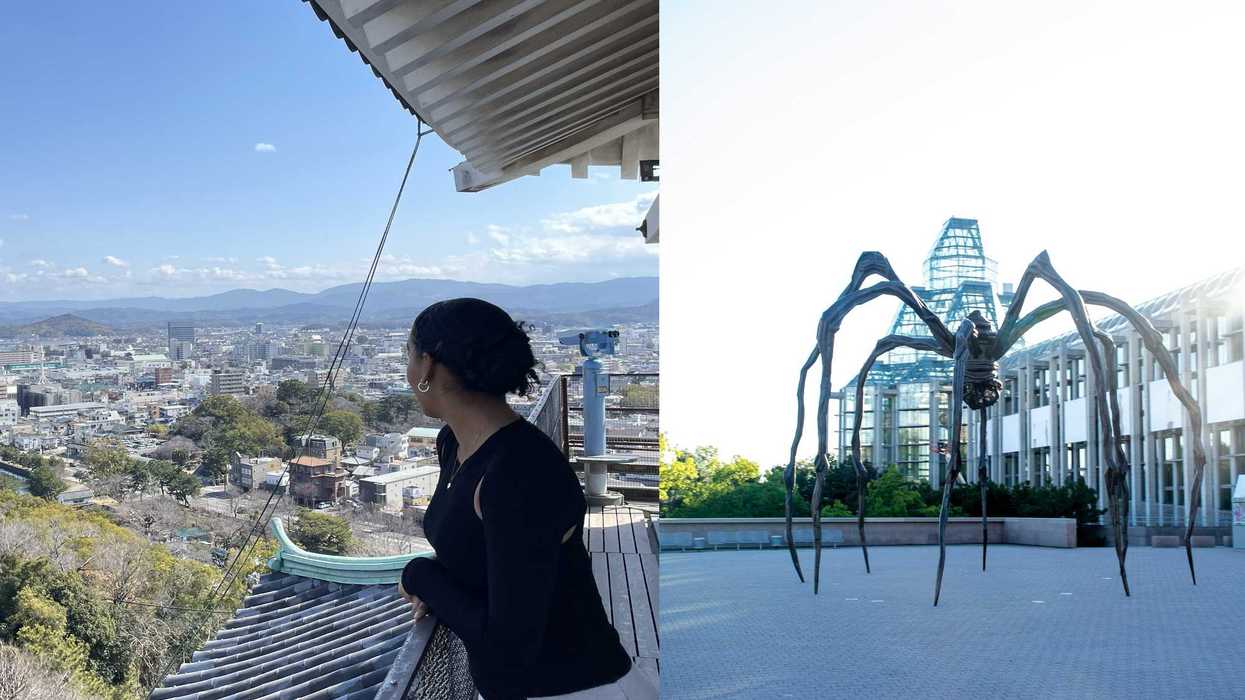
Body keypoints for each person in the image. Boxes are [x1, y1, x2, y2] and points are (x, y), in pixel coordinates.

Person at [397, 298, 657, 700]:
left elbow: (508, 647)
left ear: (428, 366)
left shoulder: (519, 473)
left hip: (580, 689)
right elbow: (484, 554)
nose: (407, 370)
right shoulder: (454, 444)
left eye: (407, 356)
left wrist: (419, 576)